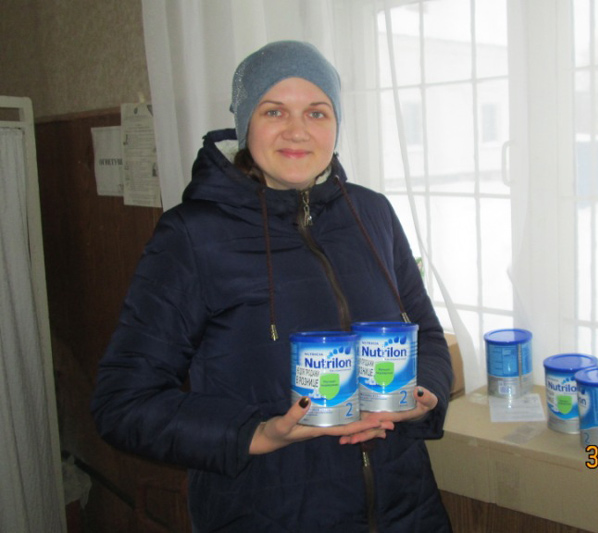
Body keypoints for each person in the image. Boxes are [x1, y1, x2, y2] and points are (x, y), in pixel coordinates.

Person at [91, 40, 454, 532]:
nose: (297, 130)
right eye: (274, 111)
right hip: (267, 514)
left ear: (336, 124)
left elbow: (425, 334)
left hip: (407, 512)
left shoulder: (371, 213)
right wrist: (258, 434)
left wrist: (425, 394)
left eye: (317, 112)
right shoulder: (192, 235)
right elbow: (123, 403)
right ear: (246, 124)